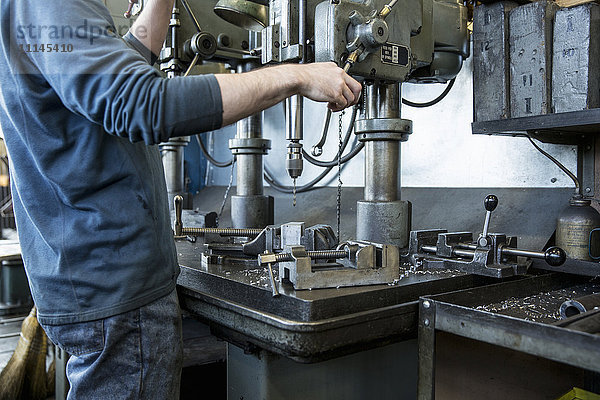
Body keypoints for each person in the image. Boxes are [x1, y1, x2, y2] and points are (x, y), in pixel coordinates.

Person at [0, 0, 361, 398]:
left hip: (91, 279)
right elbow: (141, 103)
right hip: (113, 289)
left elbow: (113, 76)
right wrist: (293, 76)